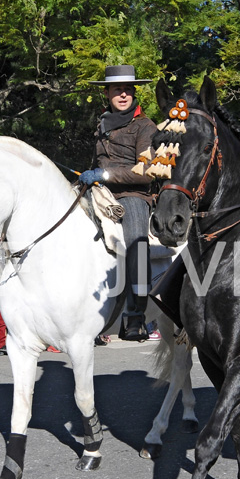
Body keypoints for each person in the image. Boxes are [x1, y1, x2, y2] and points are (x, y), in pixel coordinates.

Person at [83, 65, 158, 341]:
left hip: (133, 195)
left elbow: (146, 171)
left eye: (128, 89)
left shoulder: (145, 126)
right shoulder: (102, 124)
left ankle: (136, 316)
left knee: (137, 242)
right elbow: (97, 162)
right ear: (108, 94)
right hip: (100, 192)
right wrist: (87, 177)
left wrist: (104, 174)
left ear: (134, 92)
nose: (123, 94)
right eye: (117, 90)